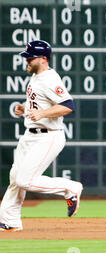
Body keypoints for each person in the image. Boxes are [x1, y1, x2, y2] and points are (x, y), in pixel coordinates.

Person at [0, 40, 83, 232]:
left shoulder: (50, 79)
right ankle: (9, 221)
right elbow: (41, 102)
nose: (27, 60)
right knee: (15, 177)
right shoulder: (37, 77)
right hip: (30, 135)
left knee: (25, 180)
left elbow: (69, 105)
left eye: (30, 57)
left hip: (49, 136)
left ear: (44, 59)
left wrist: (42, 114)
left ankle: (70, 188)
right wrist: (26, 108)